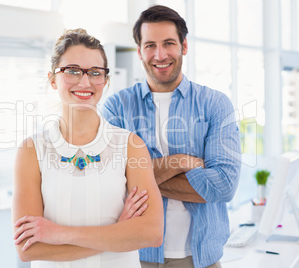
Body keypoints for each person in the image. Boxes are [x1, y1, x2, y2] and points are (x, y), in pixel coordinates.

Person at [102, 5, 241, 268]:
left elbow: (224, 185)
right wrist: (180, 162)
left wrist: (139, 178)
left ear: (184, 46)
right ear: (140, 51)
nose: (160, 54)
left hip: (202, 258)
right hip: (137, 255)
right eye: (150, 45)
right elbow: (110, 180)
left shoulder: (215, 104)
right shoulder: (116, 107)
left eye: (168, 43)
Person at [12, 28, 164, 268]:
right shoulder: (32, 150)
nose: (85, 82)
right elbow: (28, 248)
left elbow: (152, 233)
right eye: (72, 71)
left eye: (95, 72)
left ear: (105, 80)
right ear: (52, 79)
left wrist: (59, 234)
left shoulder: (130, 145)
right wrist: (117, 233)